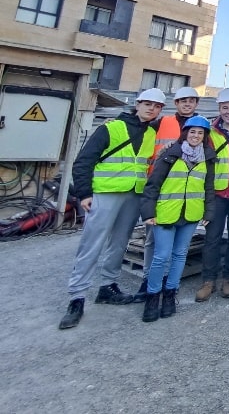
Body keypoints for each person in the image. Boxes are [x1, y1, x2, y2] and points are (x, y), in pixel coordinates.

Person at [58, 88, 164, 329]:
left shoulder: (150, 132)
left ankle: (108, 286)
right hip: (105, 194)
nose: (151, 109)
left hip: (133, 195)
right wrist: (84, 193)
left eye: (156, 106)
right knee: (91, 243)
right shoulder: (111, 127)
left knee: (119, 242)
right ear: (137, 104)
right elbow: (84, 160)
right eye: (147, 104)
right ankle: (77, 297)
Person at [139, 115, 216, 322]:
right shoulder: (170, 154)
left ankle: (171, 295)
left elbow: (209, 188)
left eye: (200, 133)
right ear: (185, 133)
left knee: (180, 255)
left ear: (205, 136)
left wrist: (208, 212)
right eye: (192, 132)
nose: (196, 136)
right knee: (161, 256)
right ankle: (153, 297)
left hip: (190, 214)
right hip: (166, 213)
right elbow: (153, 184)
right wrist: (148, 212)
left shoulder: (208, 158)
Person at [134, 85, 201, 301]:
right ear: (176, 104)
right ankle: (148, 280)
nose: (187, 104)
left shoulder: (202, 127)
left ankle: (170, 283)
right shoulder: (161, 123)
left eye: (191, 100)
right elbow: (137, 125)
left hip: (187, 192)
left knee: (179, 246)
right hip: (161, 188)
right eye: (183, 100)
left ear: (196, 104)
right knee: (153, 240)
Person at [195, 87, 229, 302]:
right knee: (212, 238)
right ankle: (208, 280)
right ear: (219, 109)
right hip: (216, 193)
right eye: (224, 107)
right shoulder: (209, 131)